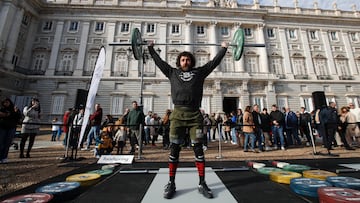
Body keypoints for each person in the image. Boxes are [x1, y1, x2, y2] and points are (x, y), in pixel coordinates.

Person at [148, 40, 228, 199]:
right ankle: (171, 183)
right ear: (179, 62)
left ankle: (202, 183)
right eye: (183, 59)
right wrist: (150, 48)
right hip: (177, 115)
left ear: (192, 61)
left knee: (198, 149)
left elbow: (214, 63)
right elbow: (159, 62)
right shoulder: (171, 72)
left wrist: (224, 49)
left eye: (188, 59)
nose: (186, 61)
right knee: (174, 149)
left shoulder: (200, 72)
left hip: (194, 116)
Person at [0, 98, 21, 163]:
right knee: (1, 143)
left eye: (7, 102)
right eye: (5, 102)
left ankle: (4, 157)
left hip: (11, 127)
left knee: (7, 143)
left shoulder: (14, 109)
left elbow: (18, 117)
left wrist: (16, 112)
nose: (6, 104)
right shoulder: (2, 109)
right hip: (2, 127)